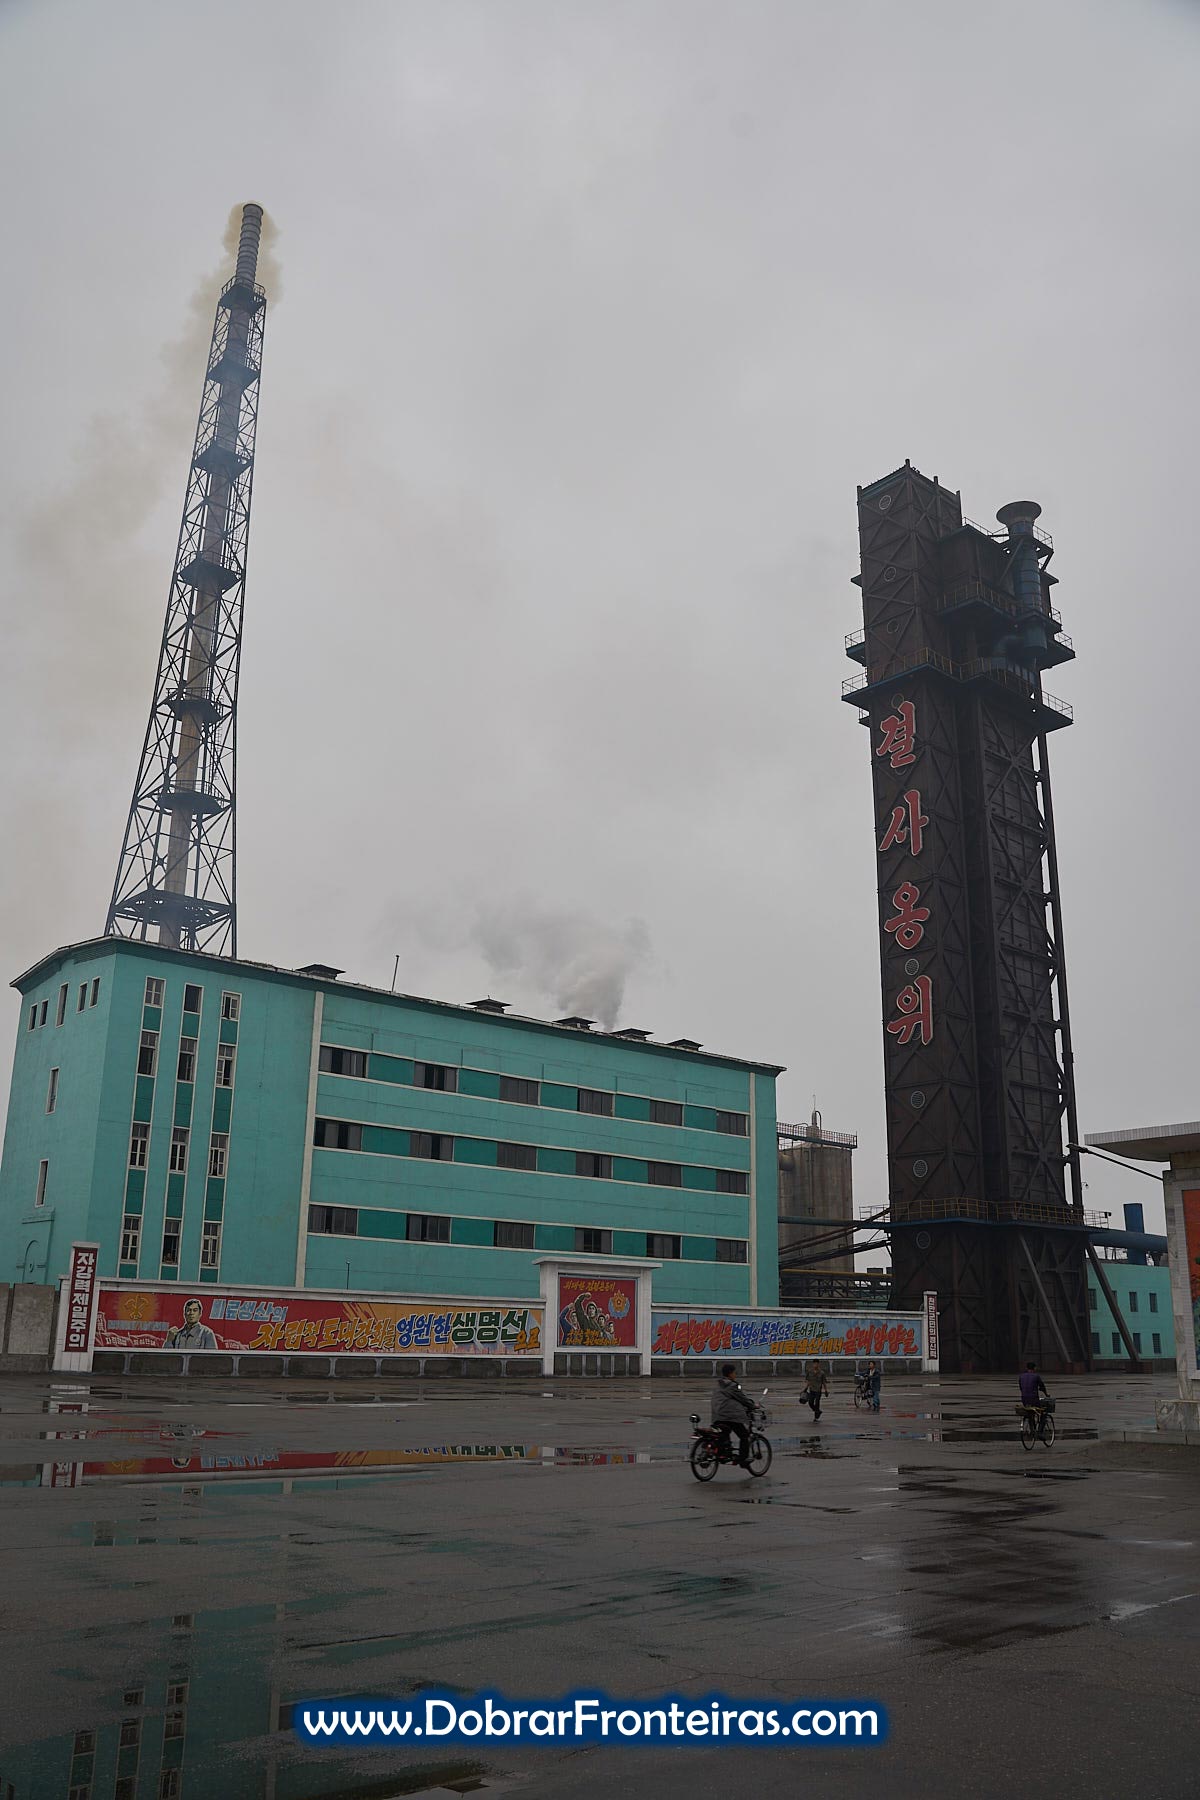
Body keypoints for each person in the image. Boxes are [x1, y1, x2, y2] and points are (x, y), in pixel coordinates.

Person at [710, 1361, 756, 1468]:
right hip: (729, 1416)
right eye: (734, 1373)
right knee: (744, 1436)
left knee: (724, 1435)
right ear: (730, 1374)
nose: (735, 1375)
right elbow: (742, 1399)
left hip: (717, 1415)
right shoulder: (732, 1385)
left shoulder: (718, 1385)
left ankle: (723, 1454)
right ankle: (743, 1460)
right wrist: (753, 1406)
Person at [802, 1356, 830, 1421]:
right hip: (811, 1390)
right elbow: (808, 1381)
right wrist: (805, 1388)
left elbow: (824, 1382)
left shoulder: (822, 1373)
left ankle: (816, 1417)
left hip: (818, 1390)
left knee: (817, 1403)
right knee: (810, 1403)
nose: (815, 1365)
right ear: (813, 1364)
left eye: (817, 1363)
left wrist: (826, 1390)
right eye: (814, 1363)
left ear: (818, 1364)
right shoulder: (810, 1371)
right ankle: (818, 1411)